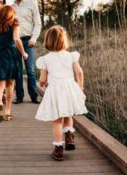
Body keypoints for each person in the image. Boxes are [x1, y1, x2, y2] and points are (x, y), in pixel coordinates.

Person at [35, 25, 87, 161]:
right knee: (68, 113)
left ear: (48, 41)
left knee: (57, 120)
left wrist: (42, 83)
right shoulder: (71, 56)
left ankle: (58, 149)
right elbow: (79, 72)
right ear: (64, 40)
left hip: (55, 89)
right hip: (69, 87)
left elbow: (42, 79)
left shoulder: (45, 59)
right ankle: (69, 138)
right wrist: (80, 87)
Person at [0, 5, 28, 122]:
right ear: (10, 14)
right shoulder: (14, 25)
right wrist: (24, 53)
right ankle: (8, 111)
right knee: (9, 85)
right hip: (11, 56)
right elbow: (16, 39)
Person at [11, 0, 42, 104]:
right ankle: (19, 97)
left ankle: (34, 96)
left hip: (28, 41)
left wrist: (34, 39)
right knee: (17, 70)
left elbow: (38, 23)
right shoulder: (11, 7)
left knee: (30, 70)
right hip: (15, 42)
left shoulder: (31, 4)